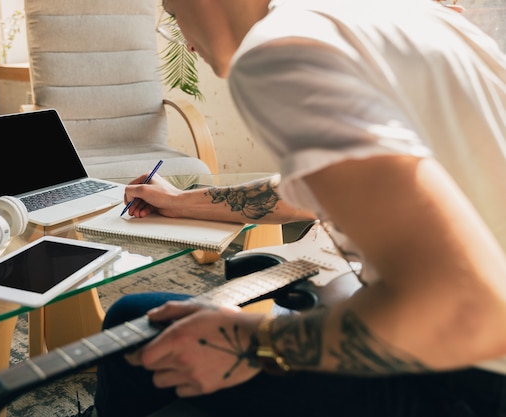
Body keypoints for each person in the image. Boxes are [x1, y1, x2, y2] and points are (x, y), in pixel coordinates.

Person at [92, 0, 506, 415]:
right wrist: (179, 202)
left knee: (137, 328)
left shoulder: (279, 50)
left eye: (173, 10)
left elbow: (468, 312)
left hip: (467, 378)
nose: (182, 36)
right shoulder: (400, 14)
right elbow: (336, 186)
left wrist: (258, 342)